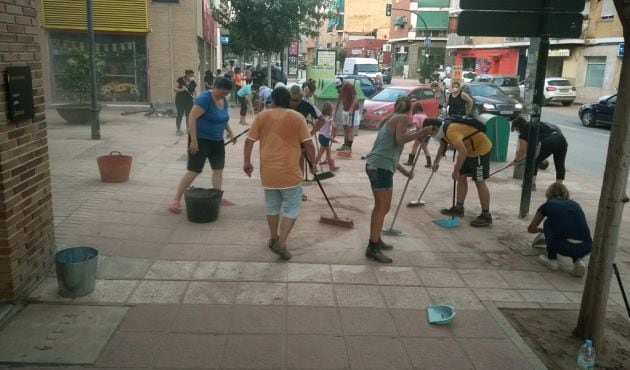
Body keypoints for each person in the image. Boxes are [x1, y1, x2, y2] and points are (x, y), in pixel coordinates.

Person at [243, 87, 317, 261]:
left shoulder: (262, 116)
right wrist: (314, 164)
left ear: (273, 100)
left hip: (268, 172)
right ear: (289, 101)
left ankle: (273, 238)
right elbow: (309, 145)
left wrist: (247, 162)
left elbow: (249, 141)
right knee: (291, 207)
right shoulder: (297, 117)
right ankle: (282, 244)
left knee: (272, 206)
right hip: (290, 172)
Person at [365, 96, 438, 263]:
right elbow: (400, 139)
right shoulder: (402, 118)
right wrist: (422, 132)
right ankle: (372, 247)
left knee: (385, 207)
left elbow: (388, 150)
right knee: (381, 207)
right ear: (409, 110)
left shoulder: (390, 118)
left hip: (379, 165)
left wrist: (404, 171)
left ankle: (376, 240)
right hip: (380, 167)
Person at [169, 77, 235, 214]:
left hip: (217, 140)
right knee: (194, 170)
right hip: (200, 139)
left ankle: (217, 196)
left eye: (227, 93)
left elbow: (224, 119)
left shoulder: (223, 100)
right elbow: (192, 118)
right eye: (222, 93)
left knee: (218, 170)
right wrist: (193, 141)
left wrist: (230, 132)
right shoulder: (205, 99)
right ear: (215, 87)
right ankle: (176, 200)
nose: (224, 96)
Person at [430, 117, 494, 227]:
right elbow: (442, 145)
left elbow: (462, 151)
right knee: (461, 177)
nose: (430, 136)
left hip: (480, 150)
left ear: (434, 128)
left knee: (479, 181)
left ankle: (486, 215)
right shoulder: (443, 131)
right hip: (468, 151)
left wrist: (456, 170)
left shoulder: (451, 130)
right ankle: (459, 208)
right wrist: (436, 162)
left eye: (429, 133)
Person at [528, 183, 591, 277]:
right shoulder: (576, 204)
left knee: (548, 223)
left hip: (561, 246)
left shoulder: (547, 205)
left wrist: (543, 231)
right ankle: (578, 261)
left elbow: (531, 229)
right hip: (586, 246)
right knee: (573, 228)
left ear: (548, 194)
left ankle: (552, 259)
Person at [510, 116, 568, 191]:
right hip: (561, 139)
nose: (517, 132)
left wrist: (515, 161)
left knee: (534, 162)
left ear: (518, 127)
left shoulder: (524, 133)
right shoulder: (537, 123)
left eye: (516, 130)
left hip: (547, 142)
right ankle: (559, 188)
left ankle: (531, 184)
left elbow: (522, 150)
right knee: (560, 164)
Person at [333, 77, 360, 153]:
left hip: (352, 110)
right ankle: (345, 144)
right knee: (345, 127)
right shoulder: (340, 88)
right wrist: (333, 118)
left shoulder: (349, 86)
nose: (339, 89)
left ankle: (349, 147)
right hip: (345, 109)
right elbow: (338, 101)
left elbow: (356, 99)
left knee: (350, 128)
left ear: (342, 83)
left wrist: (351, 108)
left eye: (340, 87)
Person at [311, 102, 339, 172]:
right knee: (322, 153)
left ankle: (331, 166)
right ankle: (313, 165)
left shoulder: (321, 117)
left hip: (321, 136)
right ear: (330, 110)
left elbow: (316, 123)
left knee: (327, 152)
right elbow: (334, 126)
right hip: (325, 138)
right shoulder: (330, 118)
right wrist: (335, 130)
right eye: (332, 110)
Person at [403, 102, 432, 168]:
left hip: (421, 133)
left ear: (414, 108)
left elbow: (417, 126)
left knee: (415, 146)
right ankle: (429, 163)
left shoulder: (415, 116)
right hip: (428, 133)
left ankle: (410, 161)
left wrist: (414, 131)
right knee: (424, 147)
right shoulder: (425, 115)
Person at [173, 69, 197, 136]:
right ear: (187, 75)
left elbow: (194, 90)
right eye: (191, 76)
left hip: (189, 100)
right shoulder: (180, 80)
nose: (192, 77)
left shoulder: (193, 82)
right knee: (180, 114)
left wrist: (196, 97)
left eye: (193, 76)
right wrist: (182, 89)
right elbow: (175, 89)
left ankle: (188, 129)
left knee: (188, 115)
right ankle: (178, 130)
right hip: (180, 100)